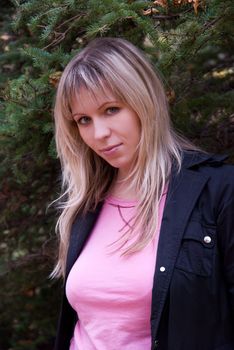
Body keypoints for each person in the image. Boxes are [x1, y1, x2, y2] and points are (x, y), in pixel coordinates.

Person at [52, 37, 234, 350]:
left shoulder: (217, 189)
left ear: (143, 101)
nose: (99, 134)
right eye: (84, 120)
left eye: (111, 110)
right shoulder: (86, 203)